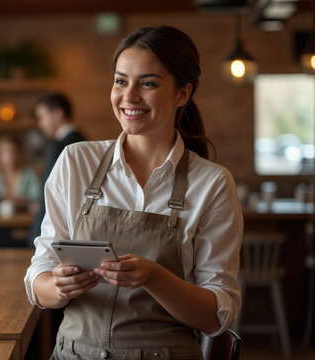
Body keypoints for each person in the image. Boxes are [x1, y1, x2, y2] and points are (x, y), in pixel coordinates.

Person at [24, 26, 243, 360]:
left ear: (182, 94)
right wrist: (57, 287)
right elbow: (40, 270)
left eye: (149, 83)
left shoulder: (212, 183)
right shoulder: (75, 161)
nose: (129, 97)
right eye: (121, 81)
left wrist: (155, 277)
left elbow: (216, 314)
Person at [29, 92, 85, 245]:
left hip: (54, 233)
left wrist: (37, 234)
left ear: (58, 113)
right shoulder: (85, 142)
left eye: (42, 117)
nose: (40, 124)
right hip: (78, 230)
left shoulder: (59, 146)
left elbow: (50, 194)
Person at [0, 135, 41, 213]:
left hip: (23, 220)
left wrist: (3, 199)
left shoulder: (29, 174)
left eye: (14, 151)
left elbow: (37, 199)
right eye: (6, 152)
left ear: (21, 153)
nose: (10, 156)